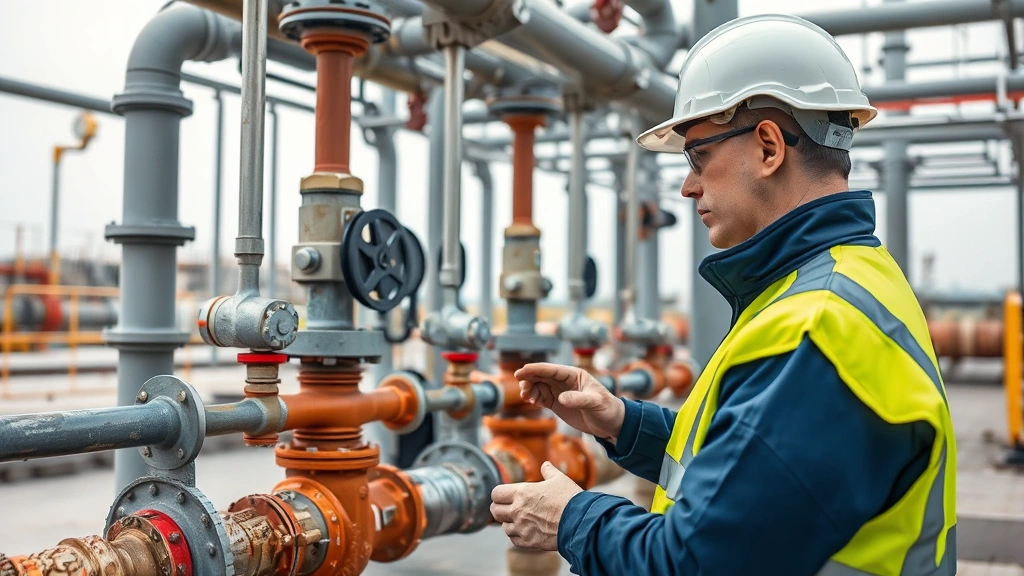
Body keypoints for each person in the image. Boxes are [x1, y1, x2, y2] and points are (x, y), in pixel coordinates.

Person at [489, 14, 957, 576]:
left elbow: (697, 561)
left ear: (767, 148)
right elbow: (755, 479)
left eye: (697, 157)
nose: (688, 186)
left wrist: (571, 518)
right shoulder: (846, 278)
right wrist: (622, 422)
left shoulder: (818, 328)